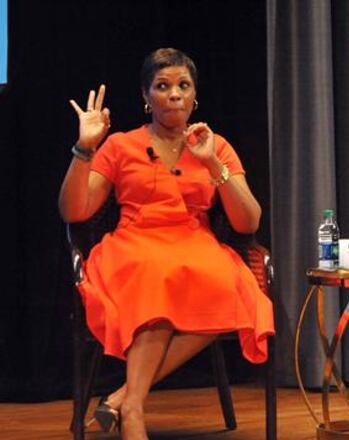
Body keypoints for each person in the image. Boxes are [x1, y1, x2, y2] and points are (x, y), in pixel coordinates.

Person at [58, 48, 274, 440]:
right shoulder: (121, 145)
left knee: (234, 289)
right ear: (146, 97)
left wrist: (211, 164)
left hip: (194, 245)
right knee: (154, 280)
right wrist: (85, 147)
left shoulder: (215, 144)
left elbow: (249, 220)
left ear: (194, 97)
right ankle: (135, 413)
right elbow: (74, 211)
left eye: (182, 86)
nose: (174, 94)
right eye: (162, 86)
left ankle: (125, 396)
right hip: (135, 244)